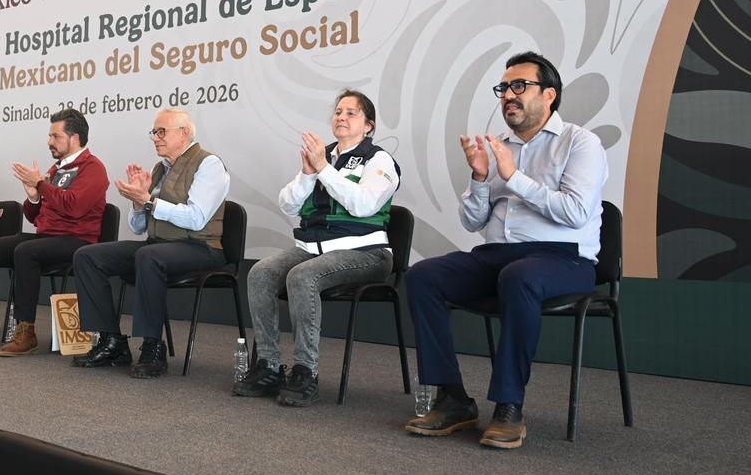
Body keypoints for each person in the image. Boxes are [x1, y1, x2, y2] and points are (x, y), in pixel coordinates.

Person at [404, 51, 607, 450]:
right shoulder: (497, 147)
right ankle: (452, 398)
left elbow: (575, 212)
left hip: (564, 257)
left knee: (519, 276)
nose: (508, 95)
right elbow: (472, 222)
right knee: (423, 276)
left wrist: (513, 177)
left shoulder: (581, 143)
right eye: (504, 88)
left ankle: (509, 406)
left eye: (519, 86)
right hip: (497, 255)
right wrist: (481, 177)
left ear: (549, 94)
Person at [235, 91, 400, 406]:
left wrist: (324, 169)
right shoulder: (320, 156)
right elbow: (288, 204)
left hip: (366, 253)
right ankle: (269, 366)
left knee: (302, 276)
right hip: (314, 248)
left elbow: (364, 205)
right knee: (260, 273)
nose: (341, 117)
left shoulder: (379, 160)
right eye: (338, 112)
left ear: (369, 125)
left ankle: (305, 371)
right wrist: (308, 175)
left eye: (351, 113)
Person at [71, 108, 229, 379]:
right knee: (87, 256)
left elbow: (196, 218)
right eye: (154, 132)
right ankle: (111, 341)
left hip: (202, 247)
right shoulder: (160, 169)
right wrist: (138, 202)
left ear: (185, 133)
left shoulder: (209, 164)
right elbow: (138, 227)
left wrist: (150, 201)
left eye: (162, 132)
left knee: (149, 256)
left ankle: (152, 347)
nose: (156, 137)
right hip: (159, 245)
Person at [0, 108, 109, 356]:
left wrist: (41, 185)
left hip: (77, 240)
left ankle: (26, 332)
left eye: (56, 136)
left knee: (26, 251)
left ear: (74, 138)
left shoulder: (93, 168)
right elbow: (34, 217)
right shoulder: (57, 169)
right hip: (48, 238)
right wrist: (33, 197)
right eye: (50, 136)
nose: (50, 141)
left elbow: (74, 208)